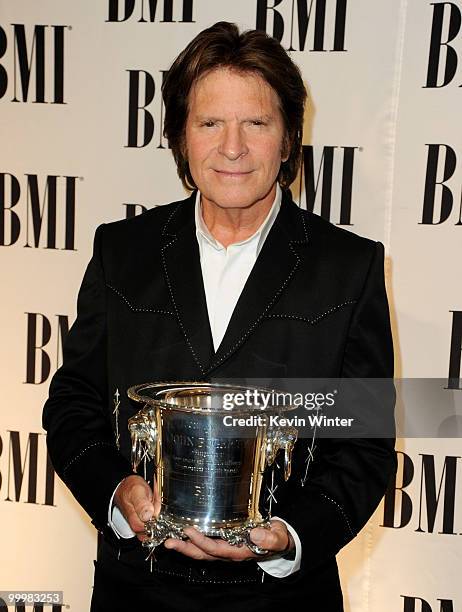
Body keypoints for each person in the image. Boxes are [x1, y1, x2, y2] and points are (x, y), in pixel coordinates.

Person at [43, 21, 396, 612]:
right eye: (210, 123)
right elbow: (74, 402)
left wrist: (290, 536)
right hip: (137, 591)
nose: (232, 148)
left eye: (256, 123)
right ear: (182, 136)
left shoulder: (349, 266)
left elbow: (365, 446)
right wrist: (117, 491)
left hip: (282, 598)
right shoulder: (122, 252)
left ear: (288, 139)